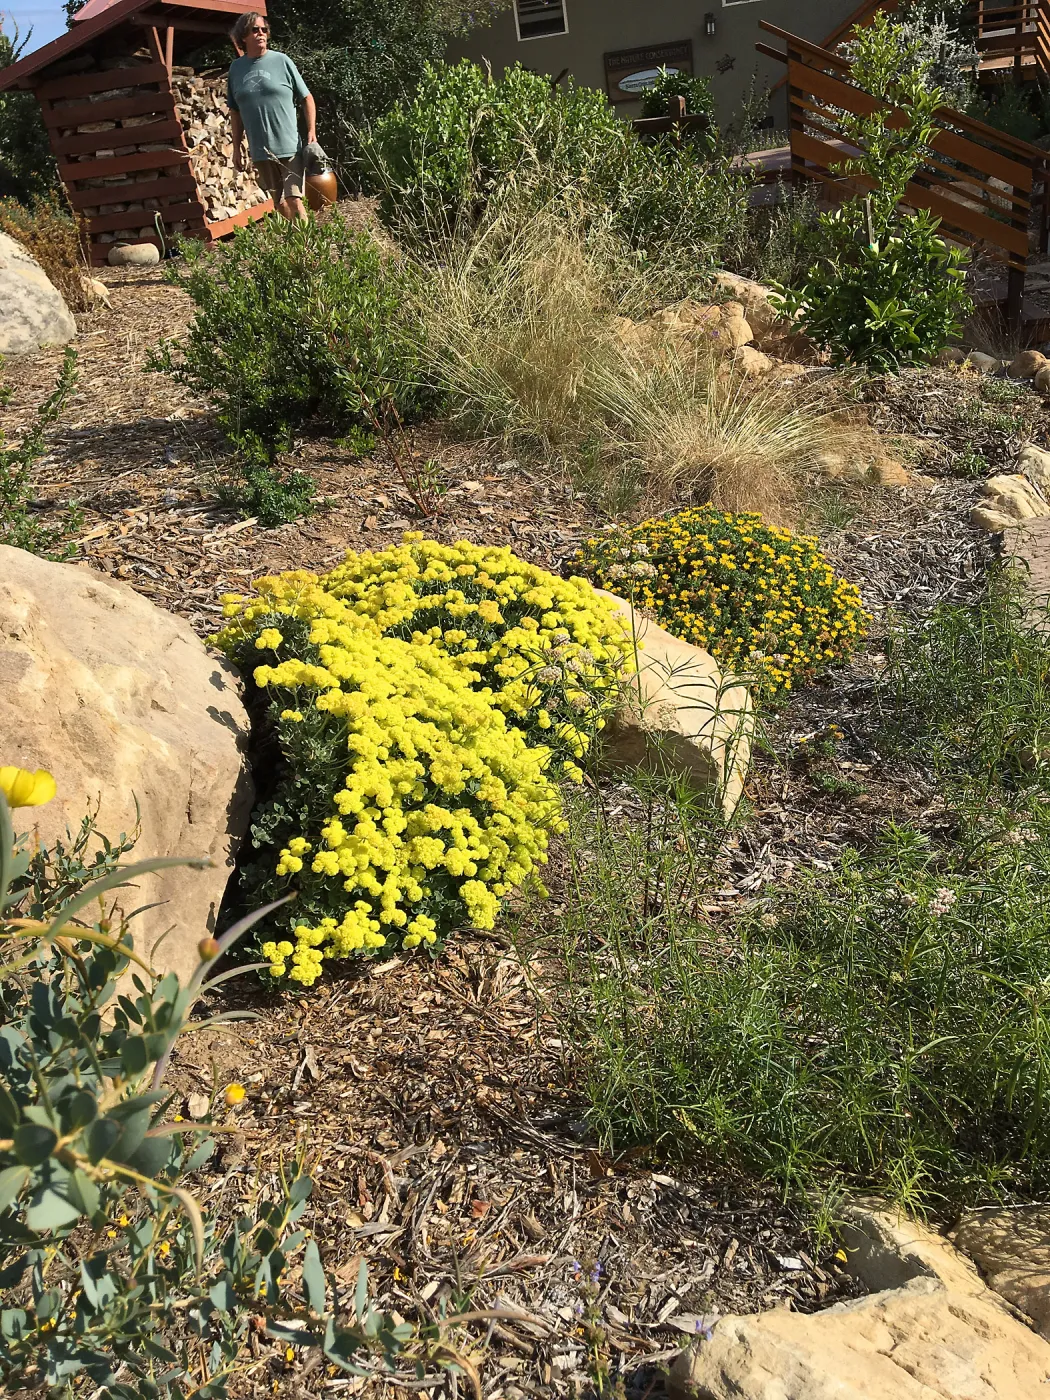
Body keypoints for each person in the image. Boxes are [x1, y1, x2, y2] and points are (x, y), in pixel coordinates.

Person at [228, 12, 316, 221]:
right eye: (255, 30)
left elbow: (307, 97)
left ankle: (309, 247)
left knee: (294, 199)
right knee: (279, 203)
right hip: (260, 149)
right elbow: (235, 111)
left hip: (289, 146)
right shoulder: (236, 69)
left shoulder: (281, 61)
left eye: (264, 30)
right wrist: (236, 149)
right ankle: (295, 247)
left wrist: (311, 130)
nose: (261, 34)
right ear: (243, 36)